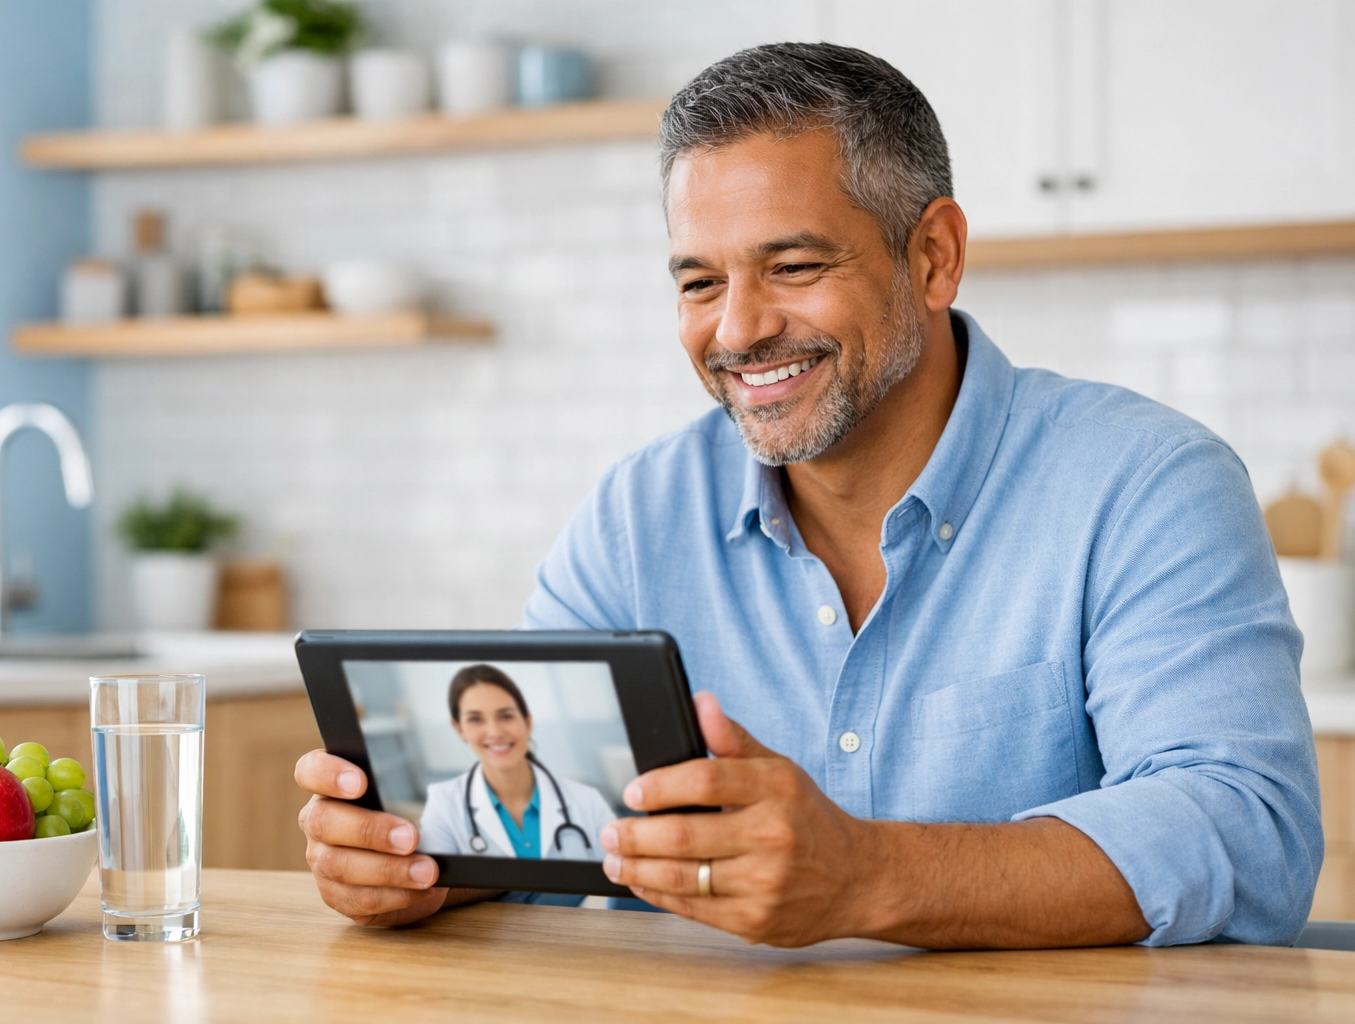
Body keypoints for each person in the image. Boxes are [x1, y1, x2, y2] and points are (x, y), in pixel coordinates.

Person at [296, 41, 1321, 947]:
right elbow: (566, 816)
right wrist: (422, 861)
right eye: (700, 282)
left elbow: (1247, 830)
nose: (738, 329)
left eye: (791, 265)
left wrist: (868, 875)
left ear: (934, 257)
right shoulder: (636, 516)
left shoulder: (1146, 484)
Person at [418, 664, 617, 863]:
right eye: (475, 719)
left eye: (506, 716)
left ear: (527, 722)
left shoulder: (587, 802)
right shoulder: (443, 805)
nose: (495, 732)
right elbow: (433, 881)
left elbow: (623, 875)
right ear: (459, 729)